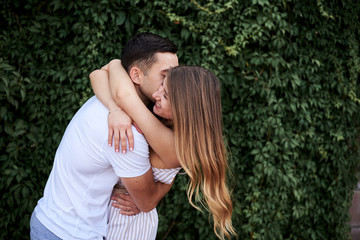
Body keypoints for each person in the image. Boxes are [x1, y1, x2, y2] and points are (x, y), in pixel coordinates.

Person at [30, 32, 179, 240]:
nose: (172, 83)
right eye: (165, 75)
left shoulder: (110, 98)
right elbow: (145, 201)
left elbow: (105, 71)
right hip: (69, 233)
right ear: (136, 75)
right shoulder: (124, 132)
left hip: (50, 219)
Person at [91, 59, 237, 239]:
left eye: (166, 95)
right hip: (113, 216)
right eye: (162, 86)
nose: (156, 94)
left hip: (130, 226)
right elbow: (96, 75)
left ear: (185, 109)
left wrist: (114, 63)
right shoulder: (172, 130)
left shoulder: (172, 144)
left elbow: (122, 94)